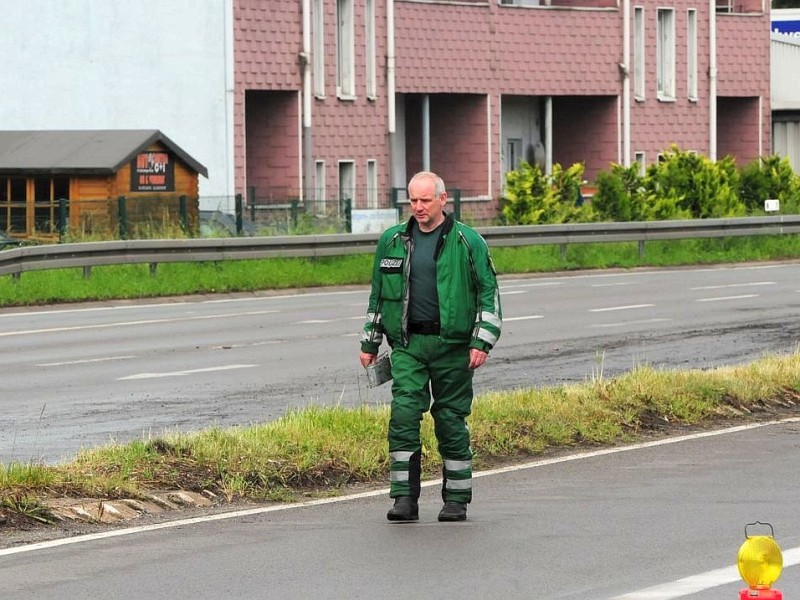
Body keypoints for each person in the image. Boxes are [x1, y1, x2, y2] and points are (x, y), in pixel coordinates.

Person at [359, 171, 502, 522]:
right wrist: (370, 341)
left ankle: (456, 499)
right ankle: (404, 500)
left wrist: (482, 340)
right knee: (404, 415)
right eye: (413, 201)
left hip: (453, 347)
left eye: (425, 200)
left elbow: (489, 293)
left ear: (442, 200)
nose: (418, 207)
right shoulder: (392, 241)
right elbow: (379, 296)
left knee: (450, 419)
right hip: (408, 345)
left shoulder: (468, 242)